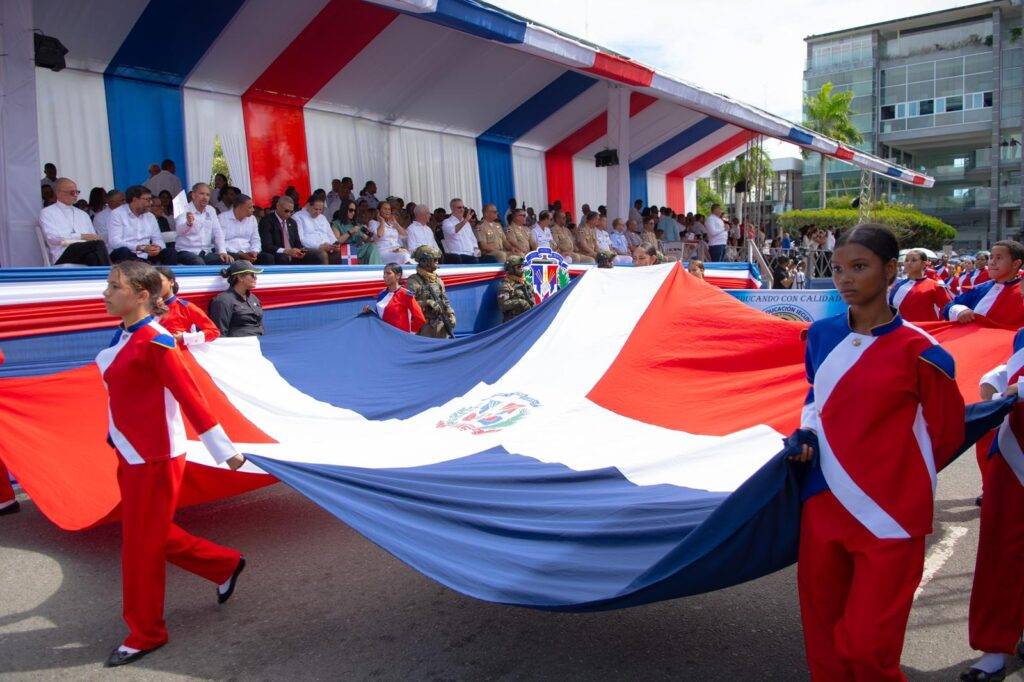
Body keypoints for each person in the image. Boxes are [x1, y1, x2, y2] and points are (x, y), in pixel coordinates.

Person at [788, 224, 964, 682]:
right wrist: (807, 432)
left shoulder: (923, 352)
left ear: (889, 271)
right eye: (838, 268)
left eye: (859, 267)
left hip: (891, 514)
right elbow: (816, 397)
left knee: (869, 648)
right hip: (823, 502)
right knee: (823, 638)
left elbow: (947, 433)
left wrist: (895, 474)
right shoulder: (820, 335)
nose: (845, 278)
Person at [97, 261, 247, 667]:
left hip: (155, 457)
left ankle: (146, 632)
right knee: (150, 533)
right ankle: (225, 563)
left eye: (114, 286)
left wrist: (224, 450)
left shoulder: (157, 340)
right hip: (130, 451)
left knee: (139, 547)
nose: (106, 293)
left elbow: (189, 395)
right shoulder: (125, 334)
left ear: (141, 295)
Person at [962, 299, 1024, 679]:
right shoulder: (1022, 336)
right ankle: (995, 646)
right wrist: (995, 378)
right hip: (1013, 457)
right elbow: (1010, 368)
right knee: (1000, 552)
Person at [943, 240, 1024, 329]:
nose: (992, 262)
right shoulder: (980, 289)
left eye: (999, 258)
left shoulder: (1021, 292)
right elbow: (948, 307)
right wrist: (959, 311)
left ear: (1016, 264)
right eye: (991, 257)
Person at [39, 178, 110, 266]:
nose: (76, 195)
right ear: (58, 193)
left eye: (77, 192)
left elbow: (92, 237)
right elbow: (53, 238)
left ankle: (104, 273)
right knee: (98, 244)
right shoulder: (47, 212)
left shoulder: (83, 214)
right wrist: (81, 236)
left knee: (93, 256)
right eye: (72, 192)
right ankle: (109, 271)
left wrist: (90, 238)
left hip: (84, 252)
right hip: (63, 254)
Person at [155, 267, 219, 347]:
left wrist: (185, 337)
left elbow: (213, 332)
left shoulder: (186, 307)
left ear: (171, 282)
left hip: (179, 352)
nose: (155, 285)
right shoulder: (146, 308)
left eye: (159, 281)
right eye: (152, 283)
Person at [107, 185, 171, 264]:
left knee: (170, 252)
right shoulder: (117, 214)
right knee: (123, 251)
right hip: (127, 254)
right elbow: (115, 242)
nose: (151, 203)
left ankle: (166, 273)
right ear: (135, 200)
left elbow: (158, 238)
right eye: (147, 199)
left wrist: (157, 248)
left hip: (146, 255)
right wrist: (140, 248)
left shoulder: (150, 216)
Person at [888, 249, 953, 322]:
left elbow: (949, 306)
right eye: (906, 260)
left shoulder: (934, 286)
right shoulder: (897, 286)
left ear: (923, 264)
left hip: (926, 328)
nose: (909, 263)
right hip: (902, 328)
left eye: (914, 260)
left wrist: (959, 312)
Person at [406, 245, 455, 339]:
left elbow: (445, 301)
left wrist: (451, 314)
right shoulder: (413, 281)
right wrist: (427, 302)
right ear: (425, 261)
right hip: (424, 327)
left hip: (441, 325)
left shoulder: (438, 280)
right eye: (434, 259)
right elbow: (408, 303)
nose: (437, 261)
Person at [174, 184, 230, 265]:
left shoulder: (211, 210)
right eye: (202, 194)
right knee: (199, 263)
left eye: (207, 195)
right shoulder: (183, 209)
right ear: (193, 195)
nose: (205, 197)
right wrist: (188, 224)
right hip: (186, 251)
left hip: (206, 253)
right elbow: (179, 231)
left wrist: (222, 252)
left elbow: (218, 233)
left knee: (226, 261)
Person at [208, 260, 264, 338]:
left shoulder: (253, 298)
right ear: (240, 277)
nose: (255, 278)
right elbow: (220, 333)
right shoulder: (222, 301)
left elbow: (260, 326)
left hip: (259, 341)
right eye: (252, 275)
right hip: (239, 344)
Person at [365, 263, 426, 334]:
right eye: (384, 273)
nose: (384, 276)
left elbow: (420, 318)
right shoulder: (381, 294)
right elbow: (379, 316)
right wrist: (370, 312)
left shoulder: (406, 295)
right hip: (384, 335)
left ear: (398, 276)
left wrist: (409, 333)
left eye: (388, 273)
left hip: (400, 338)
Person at [258, 196, 317, 265]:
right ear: (278, 206)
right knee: (283, 257)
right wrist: (286, 251)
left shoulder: (292, 222)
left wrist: (301, 251)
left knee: (315, 256)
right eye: (286, 211)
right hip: (277, 253)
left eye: (291, 212)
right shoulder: (267, 221)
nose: (289, 214)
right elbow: (267, 246)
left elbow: (297, 242)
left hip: (292, 253)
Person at [218, 193, 265, 264]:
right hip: (231, 252)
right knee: (232, 257)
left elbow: (255, 239)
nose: (253, 210)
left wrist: (254, 251)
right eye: (250, 207)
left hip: (248, 252)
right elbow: (220, 241)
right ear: (240, 207)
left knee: (267, 258)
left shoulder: (252, 219)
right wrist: (240, 253)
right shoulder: (222, 218)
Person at [294, 197, 342, 264]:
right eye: (316, 209)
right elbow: (301, 239)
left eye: (320, 210)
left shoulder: (323, 218)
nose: (318, 212)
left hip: (327, 246)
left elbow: (330, 235)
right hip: (308, 248)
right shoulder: (298, 217)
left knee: (338, 252)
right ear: (308, 205)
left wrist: (334, 245)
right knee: (322, 254)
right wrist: (319, 246)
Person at [332, 199, 381, 264]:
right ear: (344, 209)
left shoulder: (357, 225)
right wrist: (350, 232)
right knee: (371, 248)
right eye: (351, 210)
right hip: (346, 250)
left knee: (372, 246)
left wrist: (369, 236)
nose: (353, 213)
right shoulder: (336, 224)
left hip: (358, 249)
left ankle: (375, 268)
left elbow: (367, 240)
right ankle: (375, 268)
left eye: (354, 211)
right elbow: (337, 241)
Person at [369, 201, 410, 265]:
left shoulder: (392, 224)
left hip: (396, 250)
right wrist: (382, 222)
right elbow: (379, 235)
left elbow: (405, 235)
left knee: (407, 255)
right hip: (383, 252)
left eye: (389, 209)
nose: (387, 211)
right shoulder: (373, 223)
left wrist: (396, 223)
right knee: (404, 256)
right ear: (378, 211)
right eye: (385, 209)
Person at [497, 255, 535, 322]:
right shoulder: (506, 285)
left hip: (528, 318)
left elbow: (532, 299)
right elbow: (503, 305)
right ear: (511, 269)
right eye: (518, 267)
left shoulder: (525, 283)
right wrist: (520, 302)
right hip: (514, 321)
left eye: (522, 266)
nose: (521, 269)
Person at [441, 199, 480, 264]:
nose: (462, 210)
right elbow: (453, 231)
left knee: (490, 259)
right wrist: (465, 220)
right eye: (459, 207)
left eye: (463, 207)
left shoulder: (467, 224)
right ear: (452, 208)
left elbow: (473, 240)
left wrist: (477, 253)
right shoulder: (447, 222)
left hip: (472, 255)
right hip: (458, 255)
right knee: (473, 260)